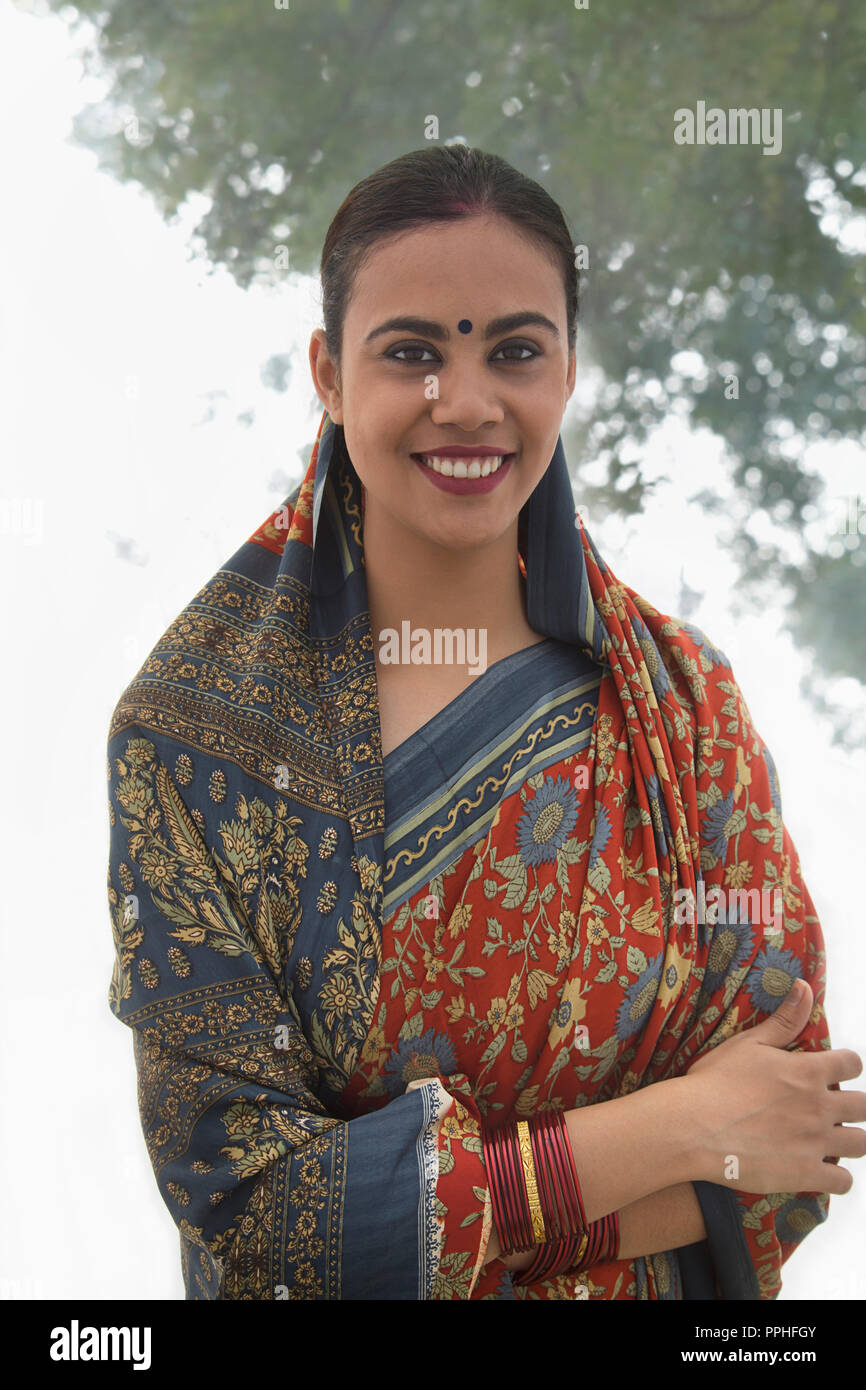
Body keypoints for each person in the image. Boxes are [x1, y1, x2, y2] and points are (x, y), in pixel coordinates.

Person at [105, 145, 865, 1300]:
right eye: (410, 351)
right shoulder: (193, 744)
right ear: (325, 370)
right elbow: (252, 1210)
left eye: (513, 349)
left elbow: (786, 1142)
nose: (463, 403)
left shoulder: (682, 709)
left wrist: (431, 1224)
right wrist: (665, 1132)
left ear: (566, 370)